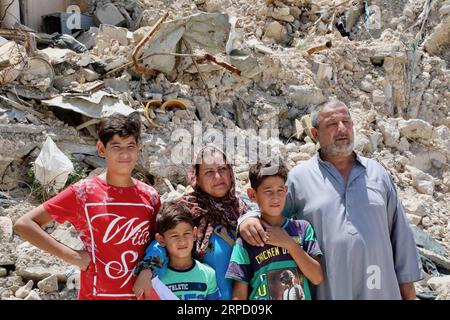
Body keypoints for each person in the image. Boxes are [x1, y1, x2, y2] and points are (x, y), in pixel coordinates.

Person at [238, 99, 423, 300]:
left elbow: (401, 236)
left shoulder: (377, 173)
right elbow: (271, 212)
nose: (342, 129)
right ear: (316, 134)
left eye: (347, 122)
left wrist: (408, 290)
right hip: (328, 292)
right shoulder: (300, 178)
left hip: (380, 290)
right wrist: (247, 220)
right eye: (332, 124)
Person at [14, 113, 161, 300]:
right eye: (116, 146)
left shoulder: (151, 196)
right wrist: (73, 256)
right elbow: (24, 224)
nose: (125, 154)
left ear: (138, 148)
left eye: (130, 146)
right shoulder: (83, 192)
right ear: (101, 149)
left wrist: (148, 270)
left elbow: (159, 242)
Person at [133, 146, 247, 299]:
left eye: (223, 169)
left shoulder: (243, 211)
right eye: (209, 172)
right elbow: (162, 241)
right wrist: (148, 268)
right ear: (196, 178)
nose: (218, 177)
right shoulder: (185, 209)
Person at [226, 159, 323, 300]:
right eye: (268, 192)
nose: (276, 198)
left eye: (280, 191)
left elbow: (317, 278)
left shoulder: (302, 229)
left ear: (286, 191)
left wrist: (289, 244)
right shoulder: (247, 240)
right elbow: (239, 295)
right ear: (252, 195)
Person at [152, 200, 221, 300]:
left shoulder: (208, 273)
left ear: (194, 234)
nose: (182, 240)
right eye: (174, 235)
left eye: (186, 233)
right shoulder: (156, 278)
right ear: (161, 240)